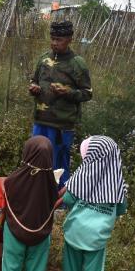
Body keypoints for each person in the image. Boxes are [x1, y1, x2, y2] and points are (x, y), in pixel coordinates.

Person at [61, 136, 127, 271]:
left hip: (74, 230)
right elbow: (121, 209)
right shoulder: (117, 183)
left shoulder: (81, 177)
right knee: (93, 270)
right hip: (97, 235)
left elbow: (67, 199)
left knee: (71, 265)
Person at [0, 135, 60, 271]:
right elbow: (53, 201)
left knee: (11, 266)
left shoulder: (13, 180)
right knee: (37, 268)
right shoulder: (51, 184)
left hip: (14, 230)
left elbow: (6, 195)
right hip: (41, 233)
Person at [29, 20, 92, 188]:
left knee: (58, 162)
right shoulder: (43, 59)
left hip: (61, 125)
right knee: (35, 159)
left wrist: (68, 92)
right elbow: (34, 80)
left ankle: (59, 200)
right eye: (53, 39)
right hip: (40, 120)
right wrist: (34, 88)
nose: (55, 43)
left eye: (59, 40)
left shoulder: (77, 64)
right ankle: (35, 194)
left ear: (70, 39)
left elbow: (87, 93)